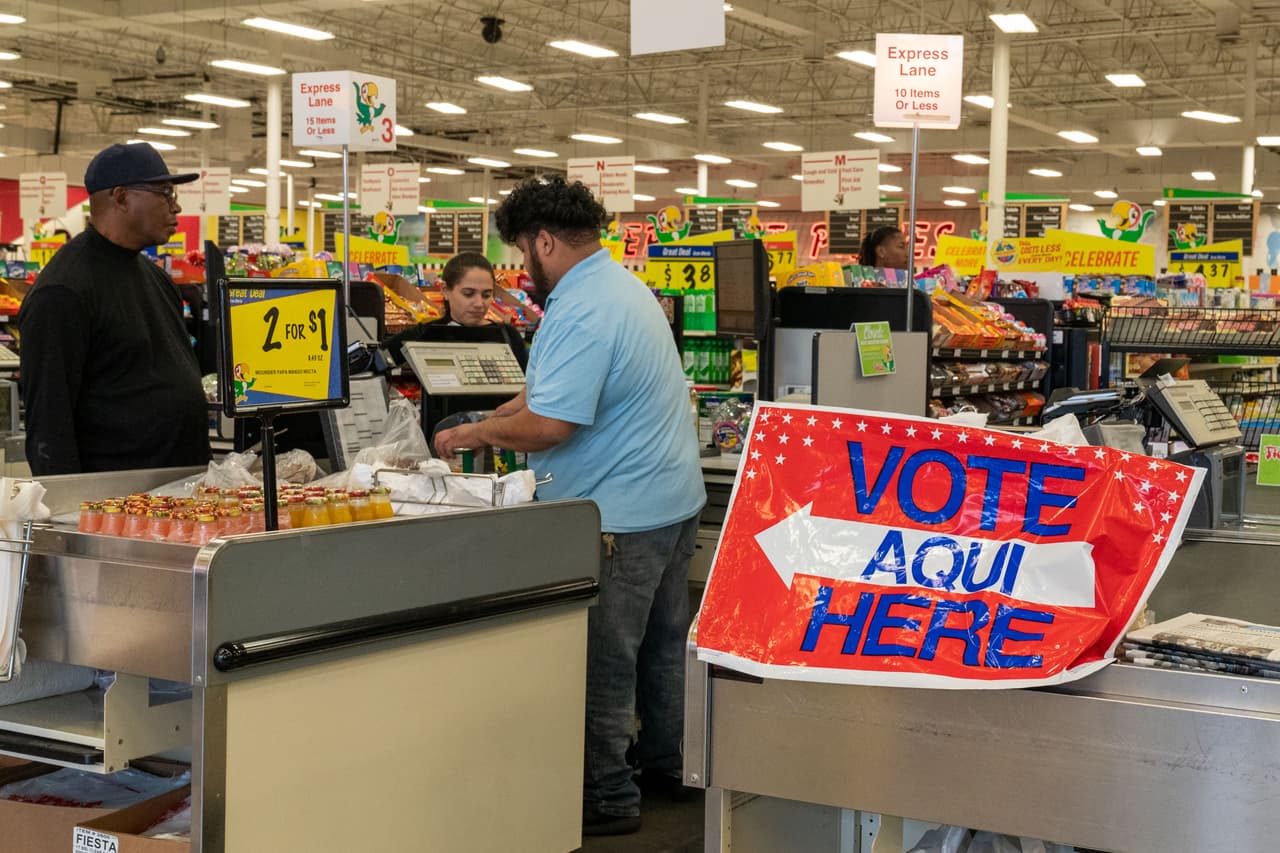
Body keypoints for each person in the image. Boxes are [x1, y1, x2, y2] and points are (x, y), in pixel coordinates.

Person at [433, 176, 705, 837]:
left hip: (617, 516)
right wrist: (512, 407)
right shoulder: (621, 288)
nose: (519, 266)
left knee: (604, 661)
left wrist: (475, 432)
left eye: (522, 250)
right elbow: (565, 393)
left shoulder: (581, 309)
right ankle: (670, 767)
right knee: (663, 648)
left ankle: (607, 797)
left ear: (543, 241)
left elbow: (553, 427)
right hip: (672, 502)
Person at [18, 142, 210, 475]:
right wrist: (69, 513)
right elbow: (49, 422)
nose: (176, 206)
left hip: (177, 492)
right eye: (164, 193)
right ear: (121, 197)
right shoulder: (63, 291)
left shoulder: (156, 278)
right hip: (115, 504)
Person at [382, 251, 528, 369]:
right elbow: (377, 359)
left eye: (486, 295)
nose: (479, 303)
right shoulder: (429, 333)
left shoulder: (508, 336)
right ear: (445, 290)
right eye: (468, 294)